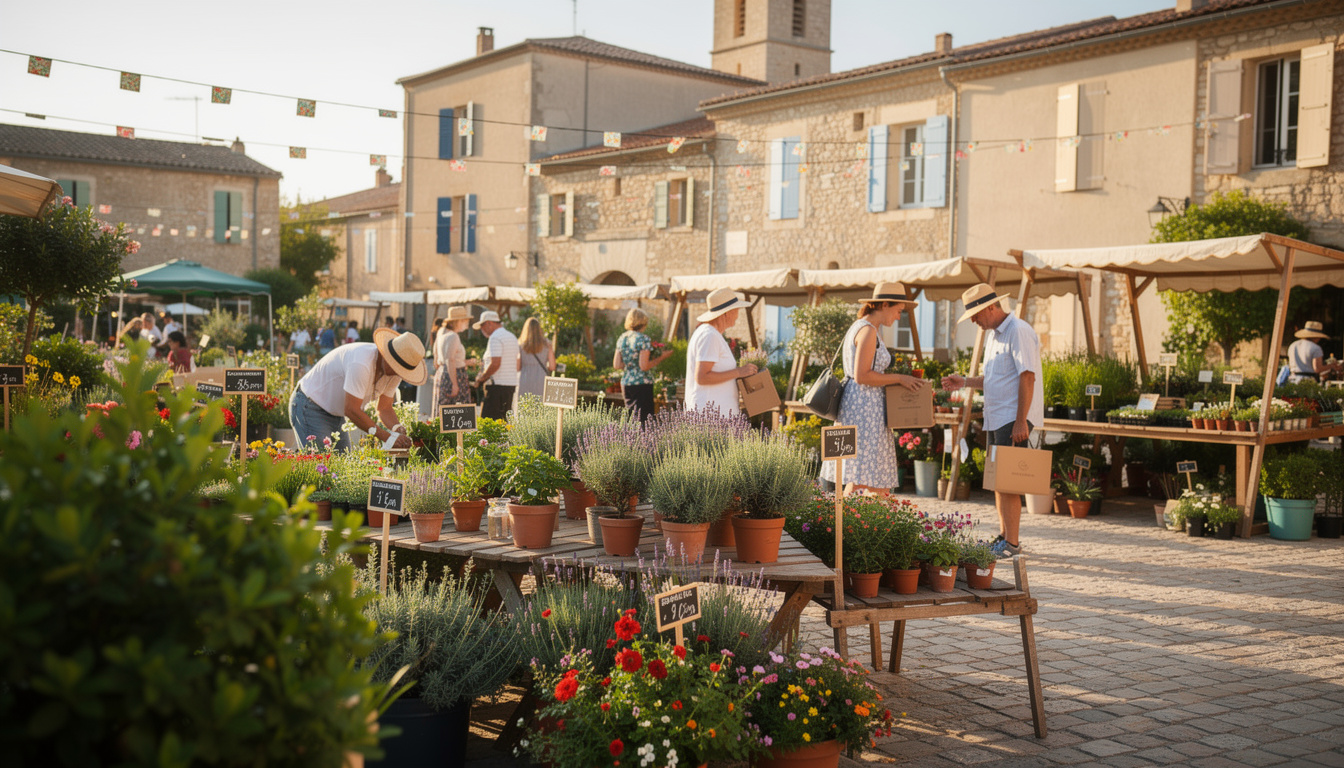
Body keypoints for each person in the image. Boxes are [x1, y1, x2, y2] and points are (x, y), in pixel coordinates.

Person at [941, 283, 1044, 558]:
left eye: (976, 314)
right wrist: (964, 381)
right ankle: (1004, 537)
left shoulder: (1018, 331)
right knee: (999, 480)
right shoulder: (994, 336)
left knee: (1008, 482)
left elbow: (1028, 377)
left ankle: (1012, 543)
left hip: (1013, 417)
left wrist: (1021, 421)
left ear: (991, 307)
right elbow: (993, 380)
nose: (974, 320)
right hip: (998, 417)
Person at [819, 283, 927, 495]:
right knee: (861, 474)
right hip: (864, 410)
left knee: (867, 474)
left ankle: (867, 524)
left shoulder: (863, 327)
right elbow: (862, 375)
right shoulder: (867, 331)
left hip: (860, 407)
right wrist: (900, 379)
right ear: (884, 305)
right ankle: (847, 525)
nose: (898, 318)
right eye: (898, 311)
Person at [288, 327, 424, 452]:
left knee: (342, 469)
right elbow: (352, 410)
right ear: (386, 356)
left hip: (335, 413)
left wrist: (397, 429)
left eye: (402, 371)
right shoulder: (361, 362)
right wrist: (387, 437)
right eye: (396, 368)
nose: (397, 373)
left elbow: (384, 408)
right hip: (310, 405)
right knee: (320, 466)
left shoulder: (395, 372)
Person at [685, 288, 758, 416]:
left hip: (715, 415)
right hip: (710, 417)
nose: (737, 315)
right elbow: (702, 377)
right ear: (726, 313)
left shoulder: (711, 334)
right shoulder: (709, 335)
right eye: (736, 310)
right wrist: (739, 372)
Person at [613, 308, 672, 424]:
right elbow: (644, 366)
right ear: (643, 322)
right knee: (644, 422)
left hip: (626, 383)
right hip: (641, 384)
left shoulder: (622, 338)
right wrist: (662, 357)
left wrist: (630, 362)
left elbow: (616, 365)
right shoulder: (643, 339)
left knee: (631, 421)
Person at [473, 311, 520, 420]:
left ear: (489, 323)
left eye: (482, 326)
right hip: (509, 384)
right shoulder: (511, 336)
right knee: (503, 422)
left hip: (497, 386)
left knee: (488, 422)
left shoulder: (495, 337)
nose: (482, 330)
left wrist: (481, 378)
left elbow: (495, 363)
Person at [435, 307, 474, 409]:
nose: (466, 323)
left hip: (445, 373)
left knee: (446, 411)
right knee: (457, 412)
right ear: (458, 321)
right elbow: (450, 359)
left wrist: (466, 362)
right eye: (464, 320)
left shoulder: (443, 334)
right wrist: (455, 384)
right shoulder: (453, 336)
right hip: (454, 375)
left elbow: (443, 358)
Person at [517, 317, 556, 402]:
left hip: (525, 378)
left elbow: (517, 367)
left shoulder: (520, 345)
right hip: (541, 378)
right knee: (540, 407)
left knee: (524, 406)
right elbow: (552, 367)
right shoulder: (547, 344)